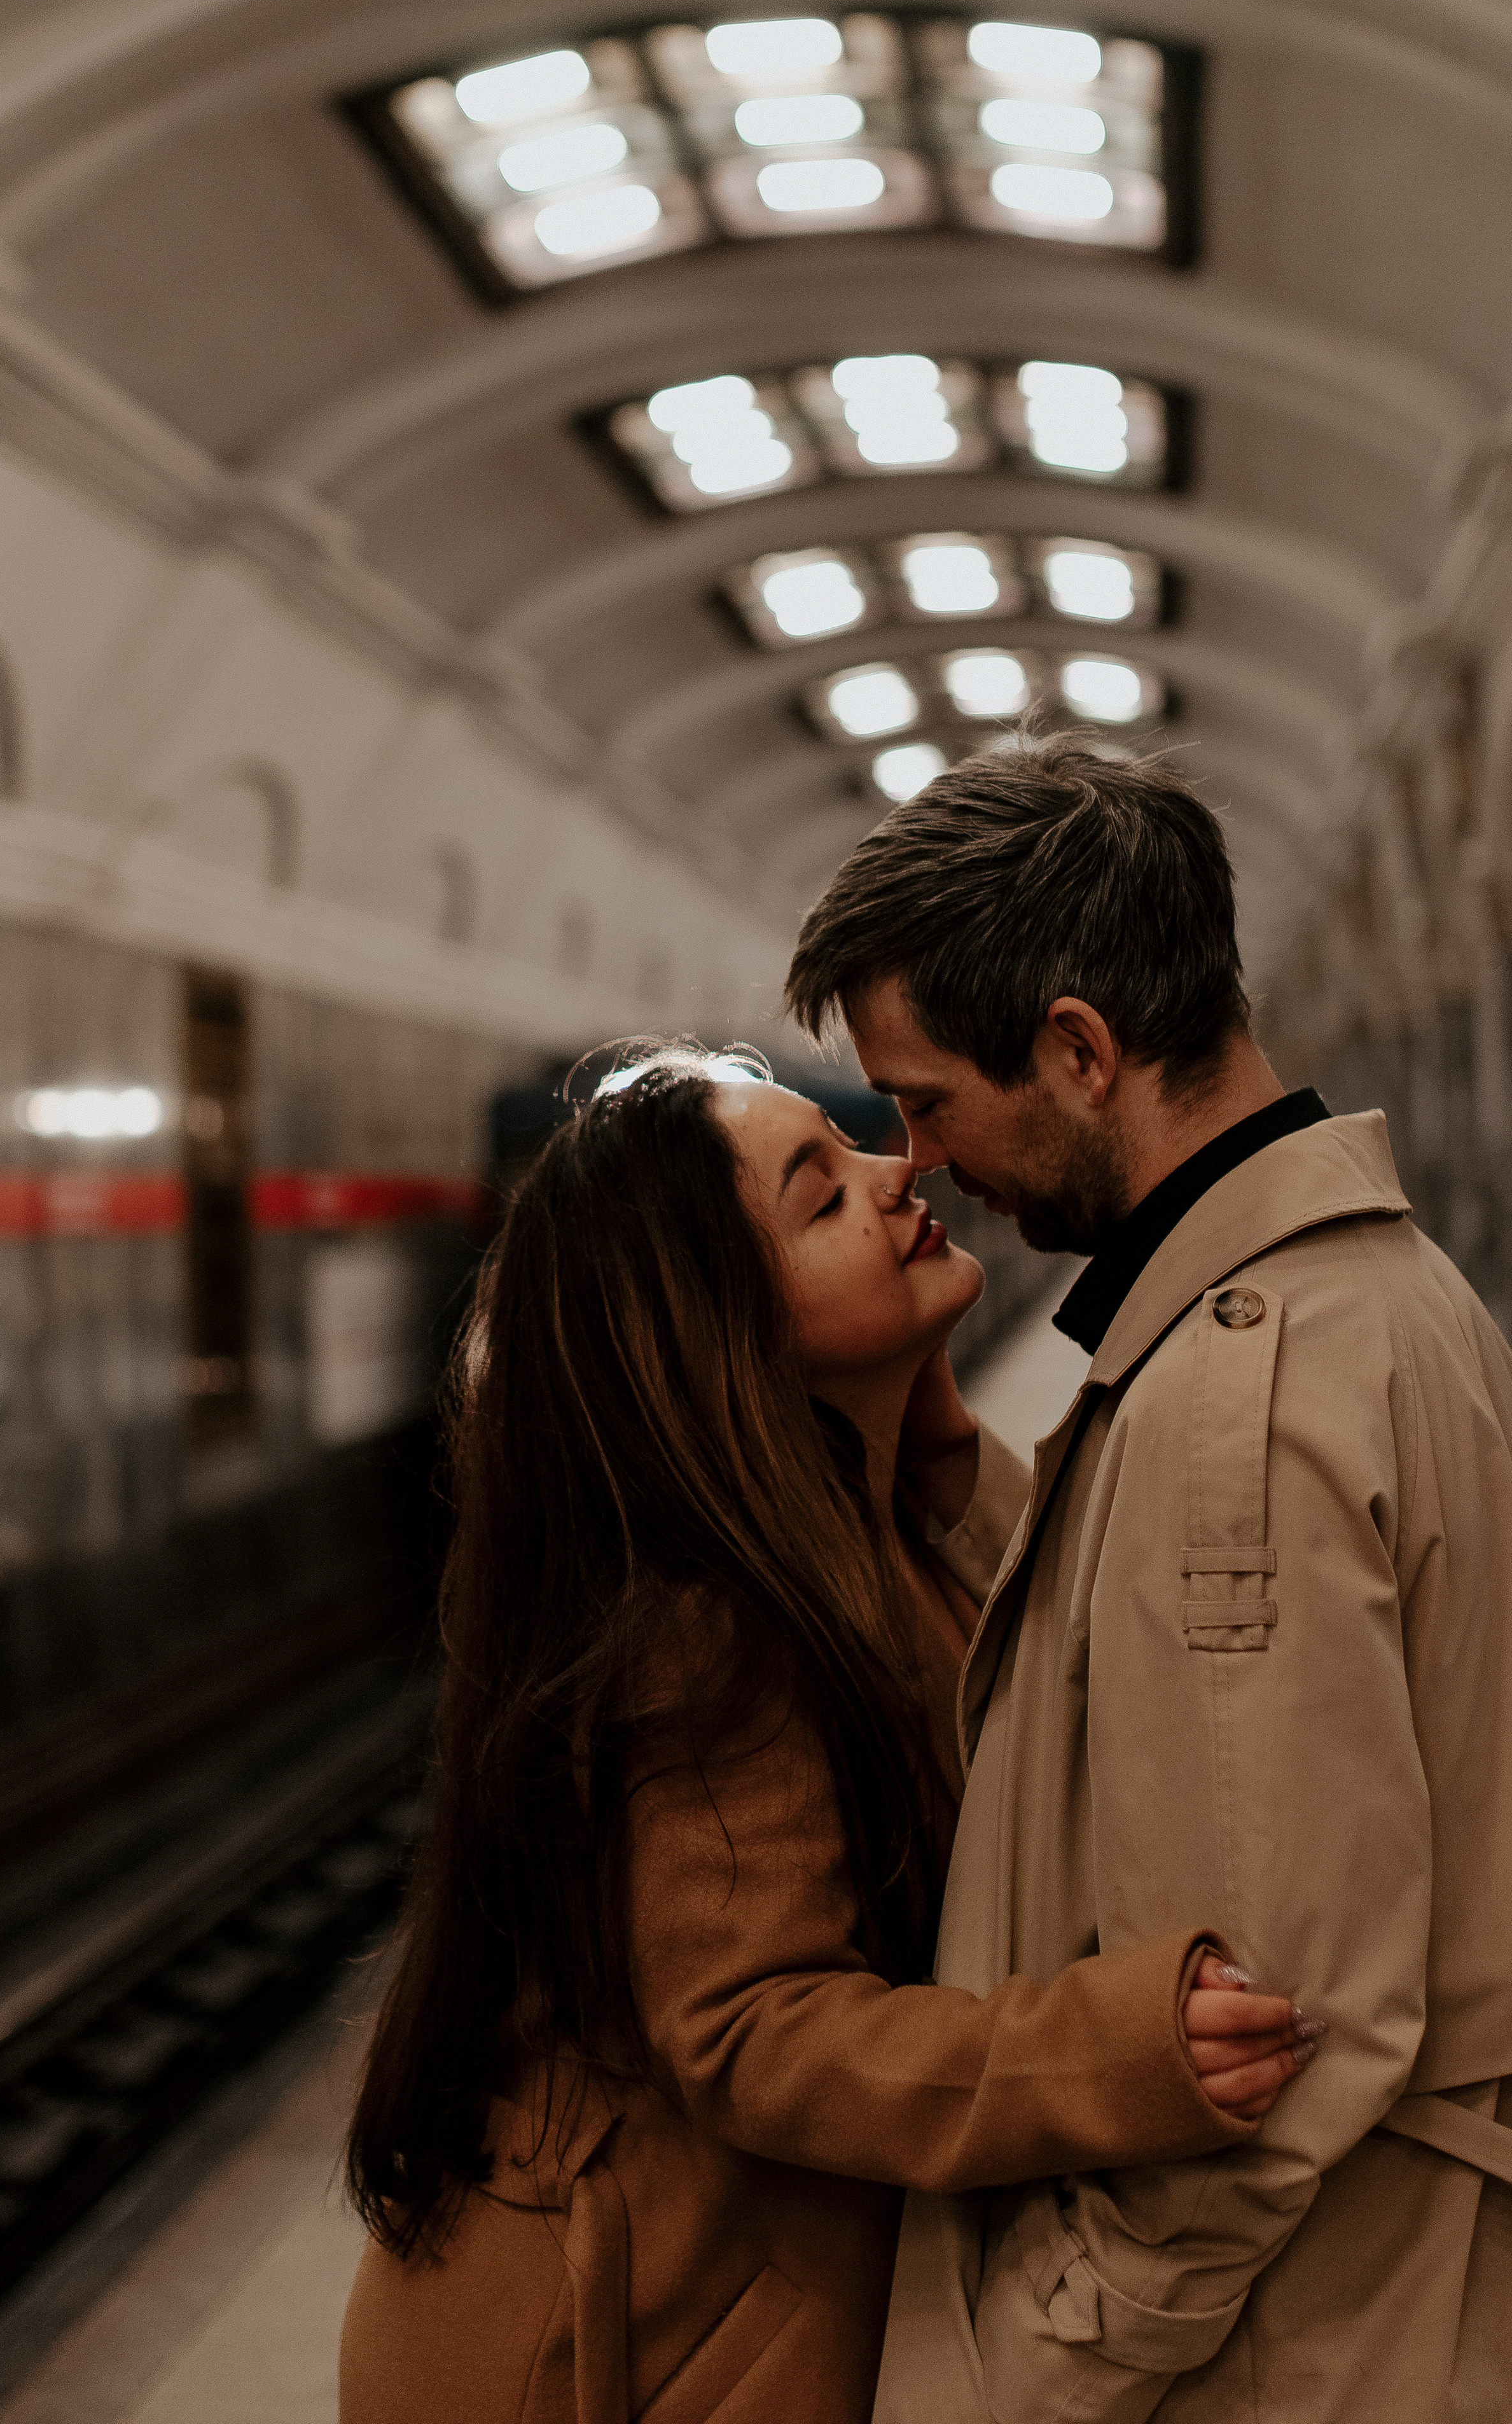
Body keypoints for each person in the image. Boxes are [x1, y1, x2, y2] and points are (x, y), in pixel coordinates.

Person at [339, 1047, 1313, 2424]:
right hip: (605, 2361)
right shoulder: (705, 1628)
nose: (897, 1170)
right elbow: (756, 2029)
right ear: (724, 1332)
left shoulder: (849, 1530)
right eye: (821, 1195)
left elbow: (1042, 1655)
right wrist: (1111, 2056)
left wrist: (927, 1451)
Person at [784, 732, 1512, 2424]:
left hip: (1292, 2354)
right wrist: (953, 1470)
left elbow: (1272, 2018)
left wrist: (1042, 2352)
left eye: (929, 1101)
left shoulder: (1230, 1406)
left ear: (1080, 1050)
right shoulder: (1383, 1298)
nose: (923, 1159)